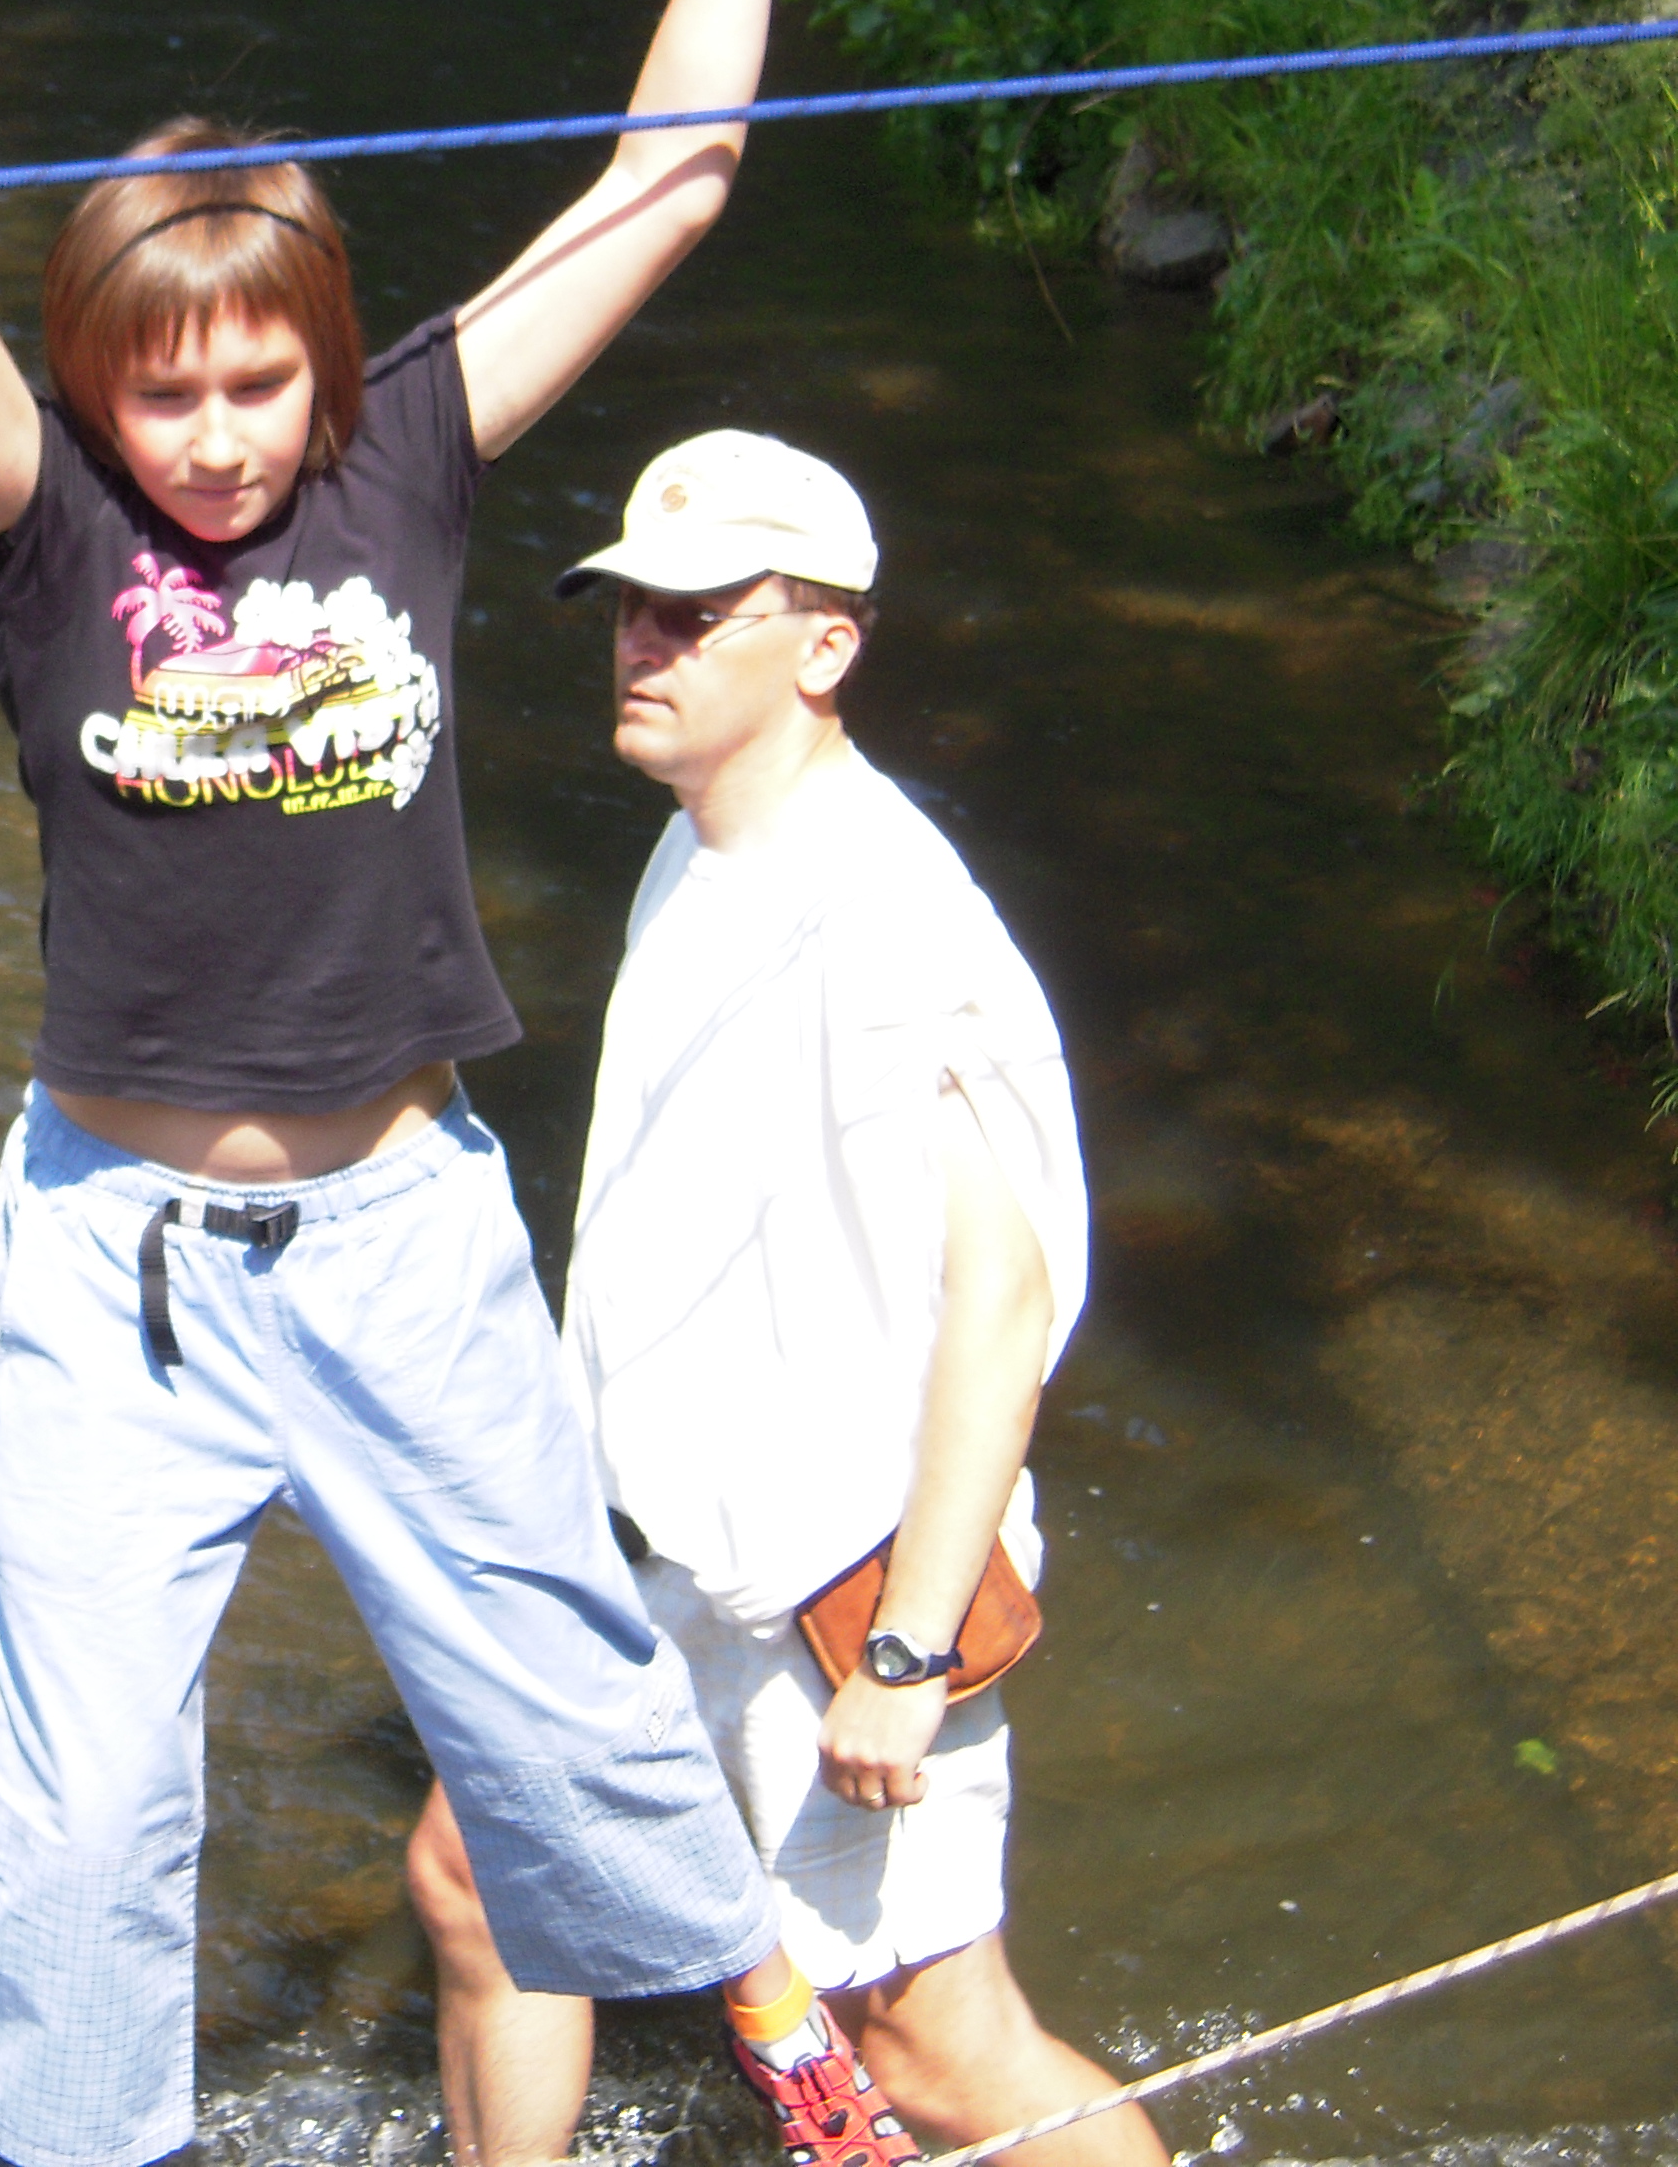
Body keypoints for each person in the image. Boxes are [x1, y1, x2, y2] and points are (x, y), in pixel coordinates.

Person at [0, 0, 931, 2167]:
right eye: (164, 395)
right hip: (112, 1266)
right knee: (74, 1819)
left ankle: (772, 2012)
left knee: (568, 1707)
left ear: (325, 368)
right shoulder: (46, 528)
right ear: (99, 390)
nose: (215, 440)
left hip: (399, 1241)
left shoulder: (406, 461)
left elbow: (670, 182)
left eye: (256, 387)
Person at [407, 431, 1167, 2167]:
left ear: (826, 645)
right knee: (478, 1885)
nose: (641, 643)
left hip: (831, 1588)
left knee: (937, 2054)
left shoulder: (889, 920)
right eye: (628, 608)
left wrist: (909, 1649)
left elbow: (1004, 1300)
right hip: (652, 1557)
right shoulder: (698, 848)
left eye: (693, 615)